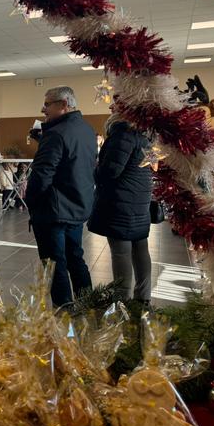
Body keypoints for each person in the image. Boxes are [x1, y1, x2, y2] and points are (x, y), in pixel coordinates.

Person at [25, 86, 96, 307]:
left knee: (55, 265)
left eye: (47, 104)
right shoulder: (86, 130)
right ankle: (88, 306)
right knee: (76, 259)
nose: (42, 109)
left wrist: (32, 202)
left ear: (63, 105)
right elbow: (70, 162)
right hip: (77, 206)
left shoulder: (55, 134)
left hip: (53, 211)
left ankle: (65, 313)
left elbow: (42, 175)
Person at [87, 113, 153, 304]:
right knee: (141, 249)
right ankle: (143, 297)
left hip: (121, 203)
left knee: (121, 251)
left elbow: (110, 171)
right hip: (140, 201)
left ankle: (122, 299)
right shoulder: (144, 137)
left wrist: (95, 168)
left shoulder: (121, 136)